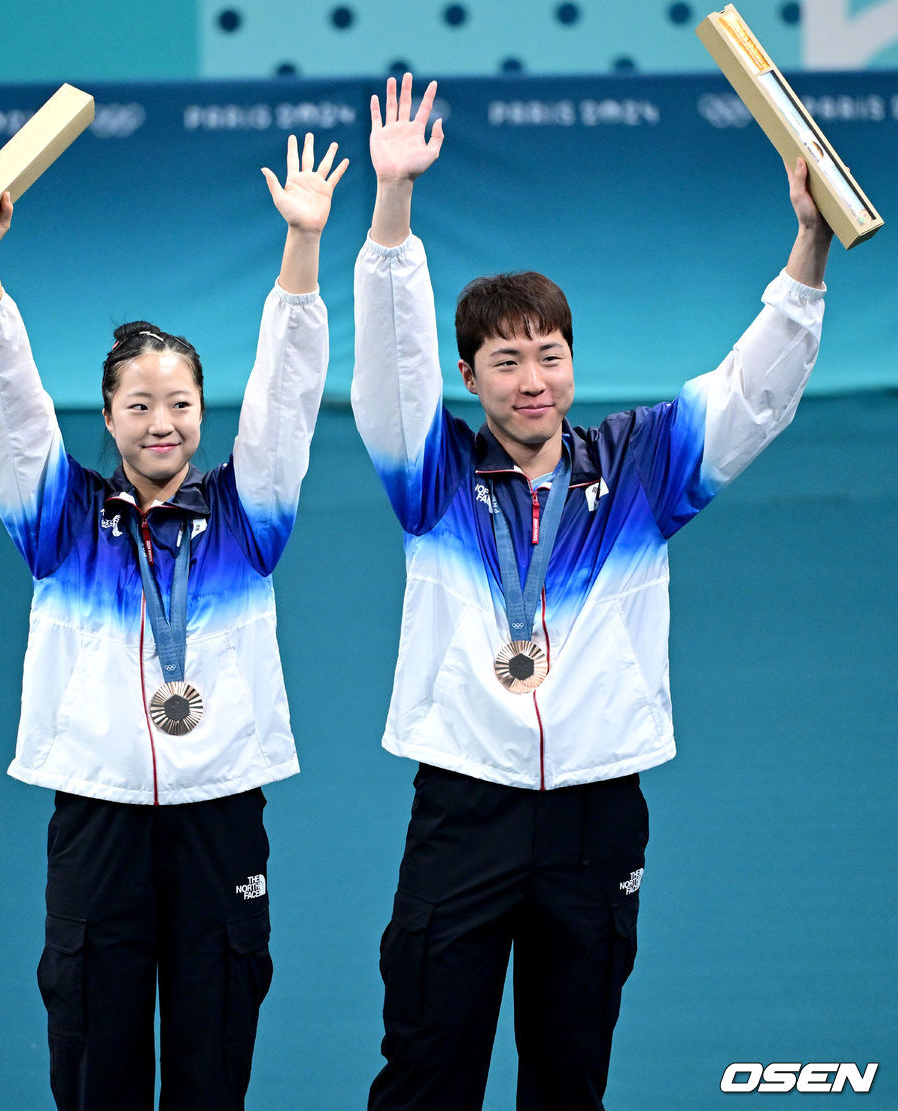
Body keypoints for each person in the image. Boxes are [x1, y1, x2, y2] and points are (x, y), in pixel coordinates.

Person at [351, 74, 832, 1111]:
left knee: (569, 1078)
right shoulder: (431, 478)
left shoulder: (642, 464)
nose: (534, 380)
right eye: (507, 361)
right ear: (470, 378)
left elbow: (755, 390)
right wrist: (393, 209)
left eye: (550, 355)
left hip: (596, 815)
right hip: (464, 807)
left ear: (573, 362)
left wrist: (808, 251)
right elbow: (385, 367)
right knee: (427, 1068)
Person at [0, 131, 347, 1111]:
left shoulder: (249, 516)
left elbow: (288, 394)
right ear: (108, 418)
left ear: (204, 414)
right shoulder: (62, 520)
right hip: (97, 817)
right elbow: (9, 411)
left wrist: (301, 248)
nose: (164, 422)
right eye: (141, 405)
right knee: (95, 1066)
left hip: (220, 817)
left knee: (211, 1069)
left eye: (182, 403)